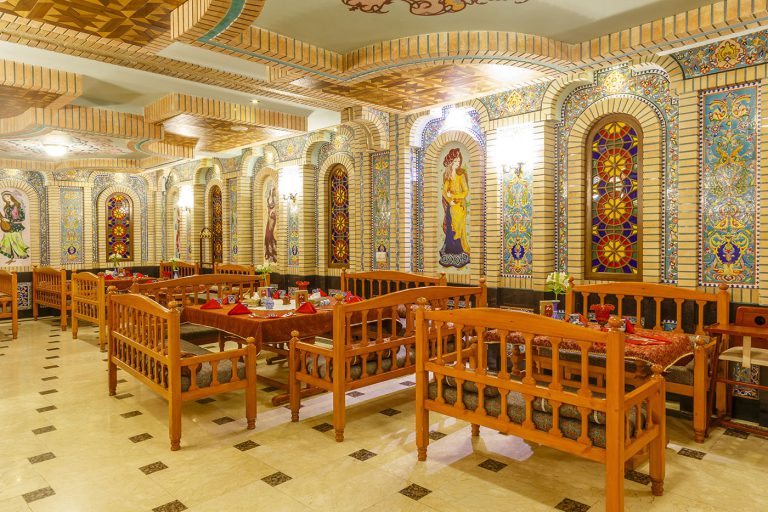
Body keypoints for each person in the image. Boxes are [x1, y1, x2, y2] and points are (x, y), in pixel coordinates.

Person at [439, 148, 470, 267]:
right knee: (450, 229)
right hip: (451, 206)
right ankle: (450, 251)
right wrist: (449, 201)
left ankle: (459, 251)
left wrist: (454, 196)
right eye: (455, 161)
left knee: (458, 228)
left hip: (459, 206)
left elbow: (465, 192)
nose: (458, 163)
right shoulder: (448, 176)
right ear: (451, 162)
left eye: (459, 161)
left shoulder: (460, 175)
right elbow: (444, 192)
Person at [0, 191, 29, 264]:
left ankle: (19, 258)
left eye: (7, 196)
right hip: (9, 227)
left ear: (11, 196)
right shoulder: (6, 207)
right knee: (9, 242)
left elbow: (22, 218)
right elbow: (7, 217)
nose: (7, 198)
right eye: (5, 197)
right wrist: (4, 219)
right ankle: (12, 258)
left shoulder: (18, 205)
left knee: (16, 243)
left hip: (16, 227)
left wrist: (9, 220)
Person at [265, 183, 278, 262]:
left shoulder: (275, 199)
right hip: (271, 219)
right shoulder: (270, 199)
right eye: (274, 191)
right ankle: (270, 252)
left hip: (273, 218)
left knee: (271, 234)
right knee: (269, 234)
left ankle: (273, 252)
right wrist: (271, 213)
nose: (275, 192)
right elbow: (270, 209)